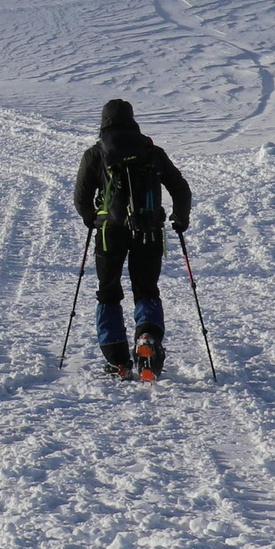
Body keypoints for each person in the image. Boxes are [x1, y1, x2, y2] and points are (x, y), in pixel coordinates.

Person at [72, 99, 193, 376]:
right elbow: (180, 188)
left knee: (108, 292)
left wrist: (92, 218)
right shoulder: (152, 152)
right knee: (147, 288)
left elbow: (81, 198)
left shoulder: (95, 154)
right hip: (148, 229)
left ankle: (117, 359)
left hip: (109, 232)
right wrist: (180, 219)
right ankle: (147, 338)